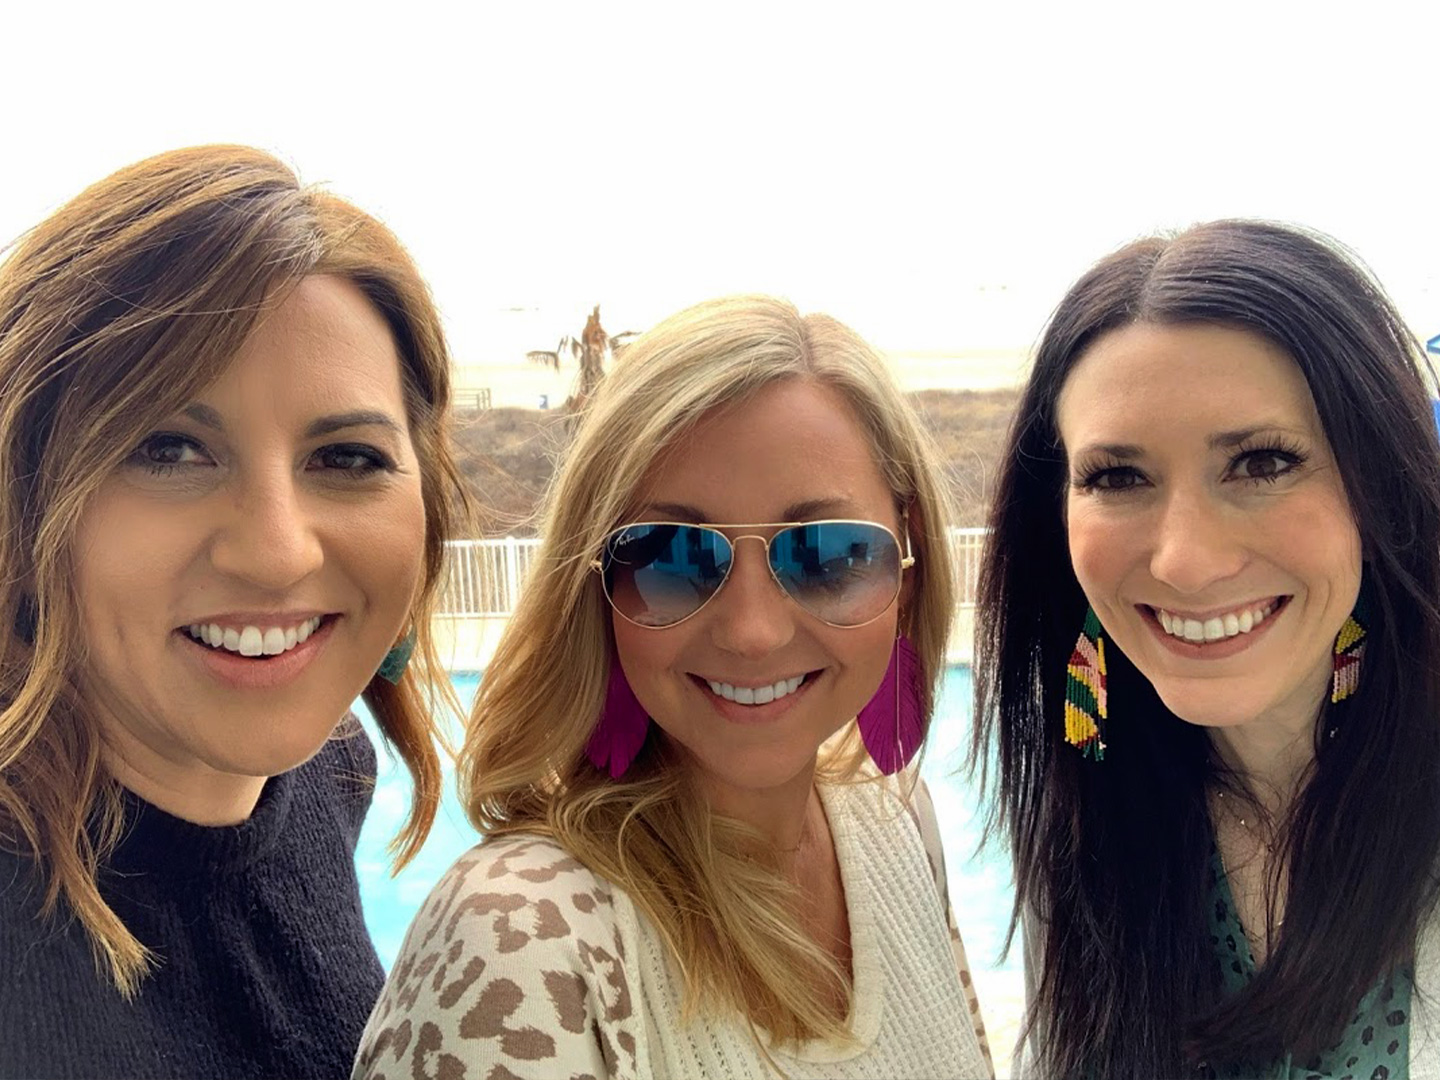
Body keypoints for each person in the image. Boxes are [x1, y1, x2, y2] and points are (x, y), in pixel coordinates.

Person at [354, 296, 994, 1079]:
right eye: (671, 557)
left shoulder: (899, 824)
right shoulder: (521, 939)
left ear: (907, 563)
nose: (752, 631)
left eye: (826, 555)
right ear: (597, 589)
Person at [0, 145, 468, 1079]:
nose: (277, 551)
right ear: (26, 495)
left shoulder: (332, 771)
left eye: (347, 458)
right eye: (168, 449)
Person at [975, 219, 1440, 1079]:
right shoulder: (1089, 815)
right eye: (1117, 477)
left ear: (1379, 486)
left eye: (1262, 463)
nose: (1185, 561)